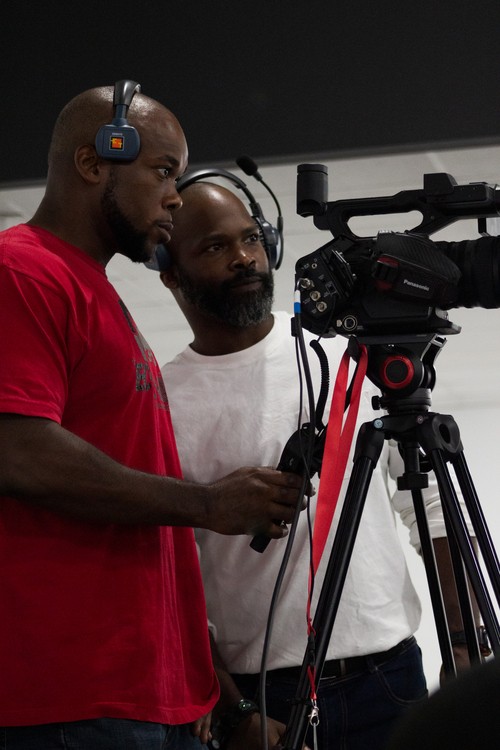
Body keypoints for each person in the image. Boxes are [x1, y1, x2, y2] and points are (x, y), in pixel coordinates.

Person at [0, 85, 305, 750]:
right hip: (75, 695)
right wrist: (206, 504)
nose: (175, 196)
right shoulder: (20, 270)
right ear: (92, 162)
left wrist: (201, 687)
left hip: (141, 692)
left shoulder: (92, 289)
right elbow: (17, 453)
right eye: (163, 172)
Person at [159, 179, 481, 750]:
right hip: (262, 701)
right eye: (214, 247)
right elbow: (163, 577)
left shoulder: (347, 352)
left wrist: (463, 640)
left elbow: (428, 504)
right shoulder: (160, 402)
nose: (244, 258)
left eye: (252, 239)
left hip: (390, 679)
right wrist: (232, 710)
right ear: (170, 273)